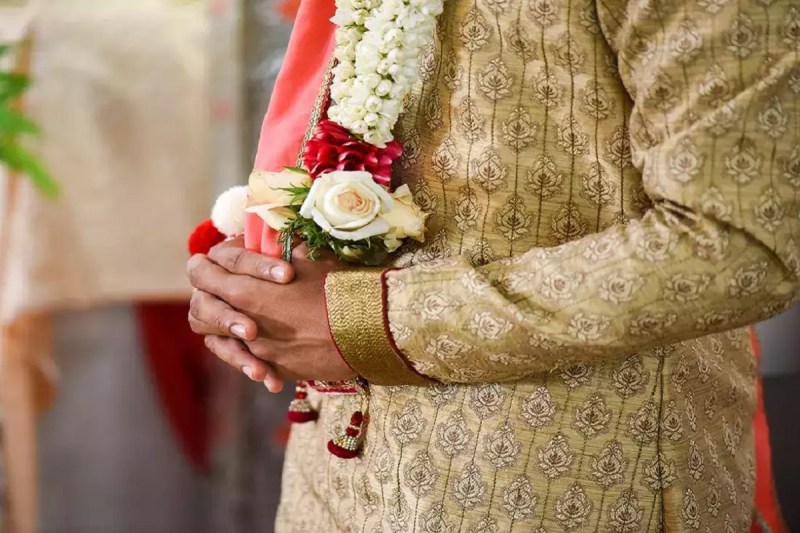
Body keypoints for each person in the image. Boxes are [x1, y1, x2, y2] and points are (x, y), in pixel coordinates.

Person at [187, 0, 799, 530]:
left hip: (559, 483)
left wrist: (371, 322)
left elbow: (739, 243)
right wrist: (258, 283)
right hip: (331, 474)